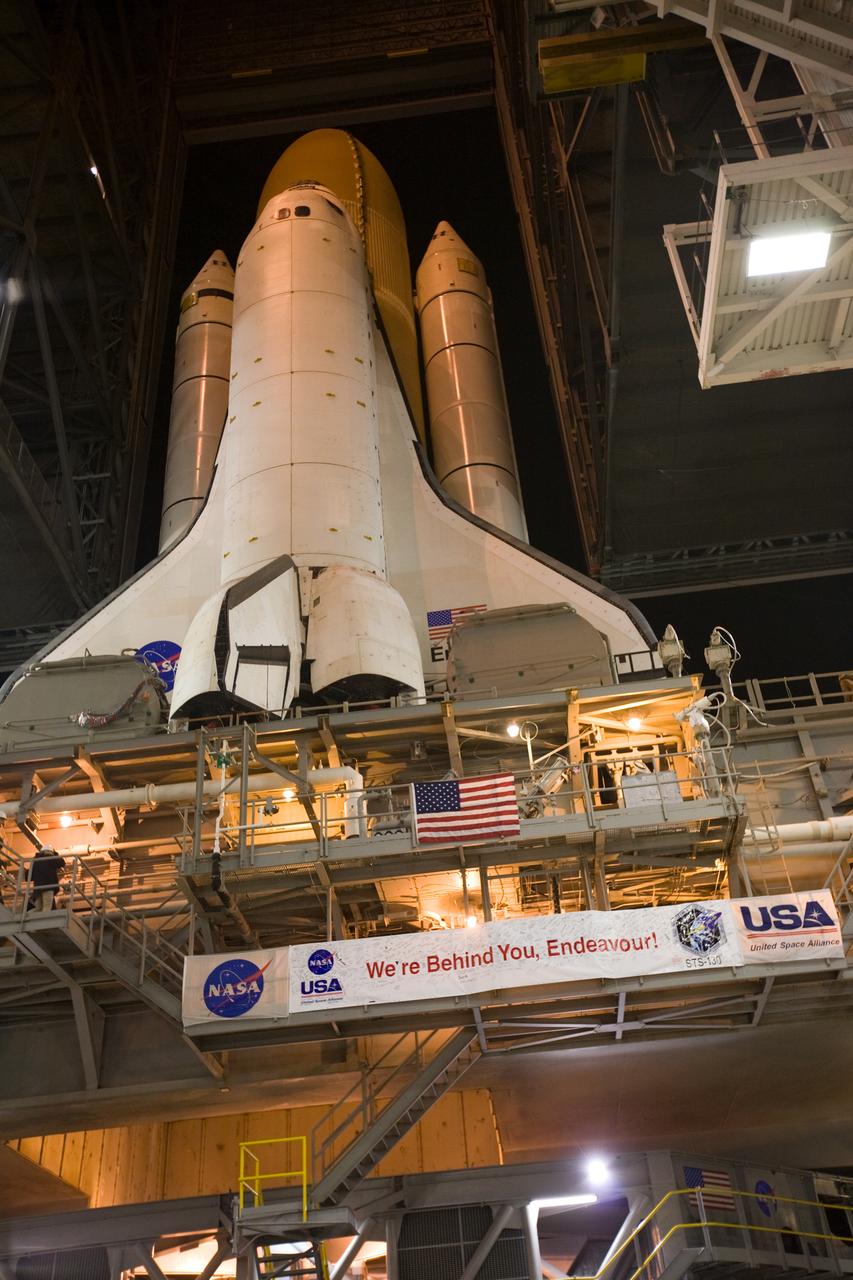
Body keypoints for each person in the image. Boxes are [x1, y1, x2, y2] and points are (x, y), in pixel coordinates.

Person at [26, 846, 67, 912]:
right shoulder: (51, 858)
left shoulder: (35, 860)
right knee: (47, 908)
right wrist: (56, 854)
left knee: (38, 908)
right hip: (48, 887)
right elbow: (62, 863)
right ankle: (41, 922)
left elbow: (30, 876)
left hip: (37, 888)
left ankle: (26, 916)